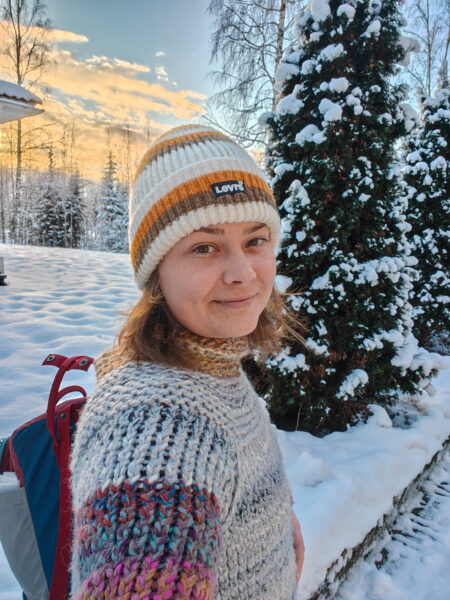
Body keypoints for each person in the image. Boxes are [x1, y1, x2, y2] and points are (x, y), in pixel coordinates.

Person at [69, 123, 305, 600]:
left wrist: (272, 520)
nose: (243, 273)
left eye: (255, 241)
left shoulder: (211, 366)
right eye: (204, 247)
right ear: (157, 273)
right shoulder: (156, 425)